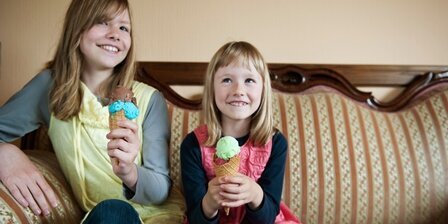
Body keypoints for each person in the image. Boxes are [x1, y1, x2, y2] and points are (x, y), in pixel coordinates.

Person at [0, 0, 184, 223]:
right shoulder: (50, 88)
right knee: (112, 211)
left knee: (115, 210)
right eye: (103, 22)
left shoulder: (149, 99)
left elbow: (160, 190)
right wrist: (4, 153)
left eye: (124, 27)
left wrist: (129, 171)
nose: (116, 34)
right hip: (103, 217)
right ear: (77, 29)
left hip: (159, 217)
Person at [180, 41, 300, 223]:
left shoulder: (275, 143)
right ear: (212, 88)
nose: (238, 90)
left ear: (263, 89)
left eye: (249, 80)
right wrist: (210, 203)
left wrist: (254, 194)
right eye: (227, 80)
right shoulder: (193, 145)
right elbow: (196, 218)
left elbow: (268, 216)